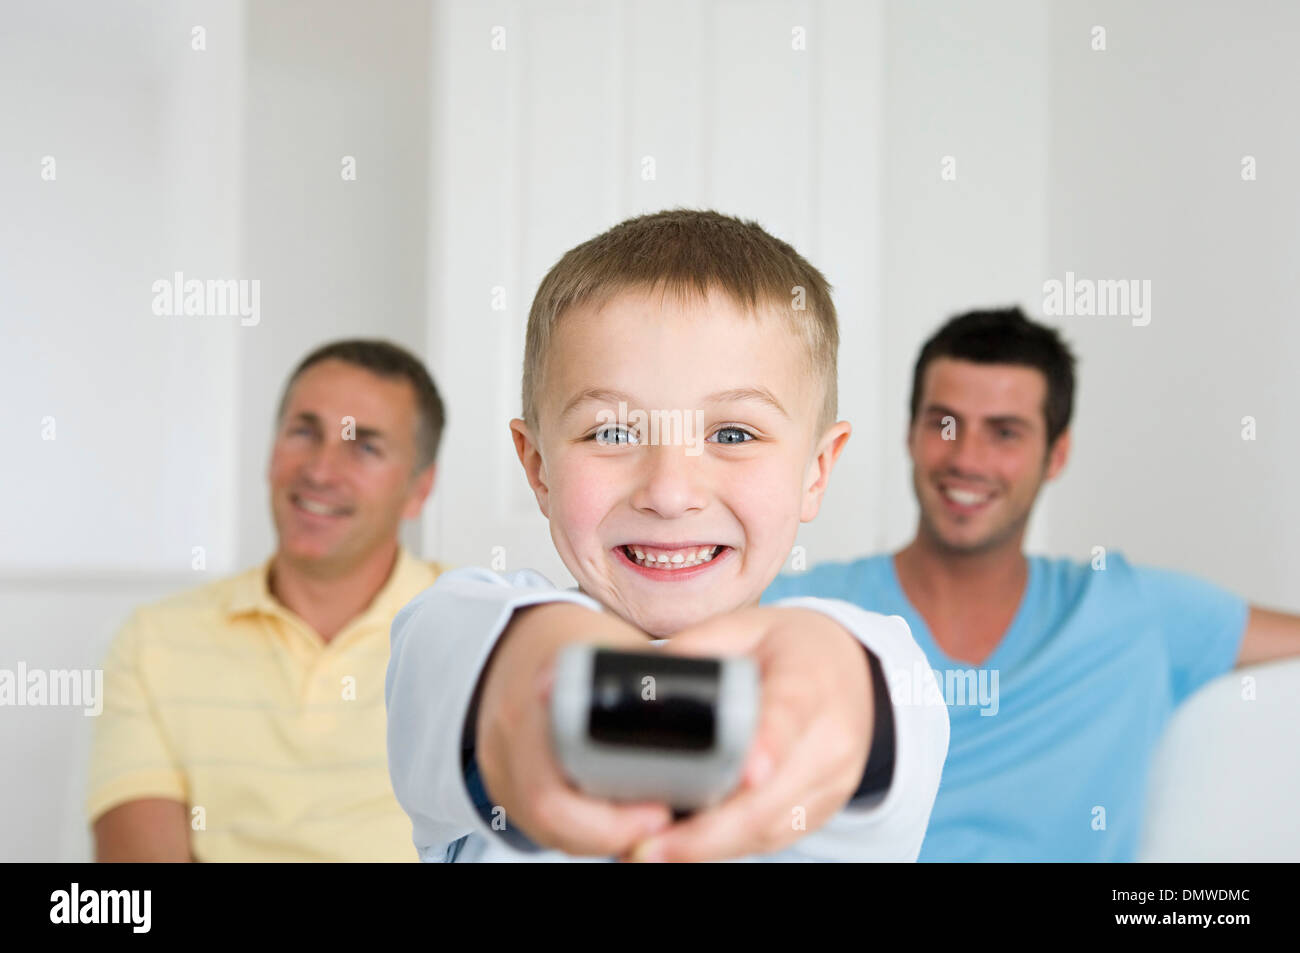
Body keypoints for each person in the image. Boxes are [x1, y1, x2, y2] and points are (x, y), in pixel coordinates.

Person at [385, 209, 950, 862]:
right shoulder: (457, 623)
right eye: (613, 433)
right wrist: (545, 662)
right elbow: (451, 655)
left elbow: (869, 702)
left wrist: (838, 684)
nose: (669, 491)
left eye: (732, 434)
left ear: (816, 470)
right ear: (538, 466)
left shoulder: (890, 666)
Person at [763, 307, 1300, 861]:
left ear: (1057, 455)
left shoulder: (1135, 611)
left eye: (1004, 433)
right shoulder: (797, 609)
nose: (967, 458)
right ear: (911, 434)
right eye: (944, 424)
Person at [87, 340, 448, 861]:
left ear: (419, 490)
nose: (321, 471)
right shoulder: (154, 641)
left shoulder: (485, 631)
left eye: (364, 446)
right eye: (304, 432)